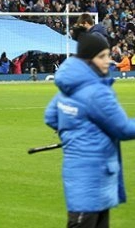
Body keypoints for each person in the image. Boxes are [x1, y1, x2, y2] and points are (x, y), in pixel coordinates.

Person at [45, 32, 135, 227]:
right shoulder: (96, 92)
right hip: (96, 176)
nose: (108, 61)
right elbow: (124, 129)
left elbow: (51, 116)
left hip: (79, 173)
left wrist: (74, 132)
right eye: (102, 56)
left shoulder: (71, 86)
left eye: (108, 55)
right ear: (88, 60)